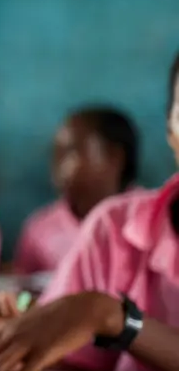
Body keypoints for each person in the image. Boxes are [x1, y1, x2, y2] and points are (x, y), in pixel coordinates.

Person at [0, 50, 179, 371]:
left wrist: (115, 317)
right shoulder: (114, 228)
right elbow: (77, 353)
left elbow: (101, 315)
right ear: (171, 133)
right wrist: (20, 335)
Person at [14, 107, 140, 275]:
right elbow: (22, 295)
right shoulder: (40, 229)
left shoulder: (150, 221)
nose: (58, 164)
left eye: (70, 152)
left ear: (114, 156)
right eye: (55, 154)